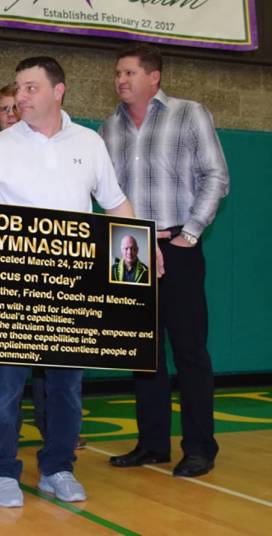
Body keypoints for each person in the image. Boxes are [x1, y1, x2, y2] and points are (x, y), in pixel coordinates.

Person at [0, 57, 141, 508]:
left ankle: (59, 467)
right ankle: (2, 471)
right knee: (5, 389)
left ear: (58, 91)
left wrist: (142, 249)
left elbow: (116, 205)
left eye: (30, 88)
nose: (20, 96)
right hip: (13, 287)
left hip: (74, 286)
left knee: (66, 389)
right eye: (18, 89)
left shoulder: (90, 143)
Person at [100, 44, 229, 478]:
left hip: (178, 246)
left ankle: (198, 447)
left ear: (154, 77)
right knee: (143, 354)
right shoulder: (109, 128)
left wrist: (192, 231)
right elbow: (106, 193)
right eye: (118, 73)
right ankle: (152, 444)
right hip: (130, 251)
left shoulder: (190, 113)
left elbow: (216, 175)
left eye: (129, 72)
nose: (121, 80)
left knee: (190, 352)